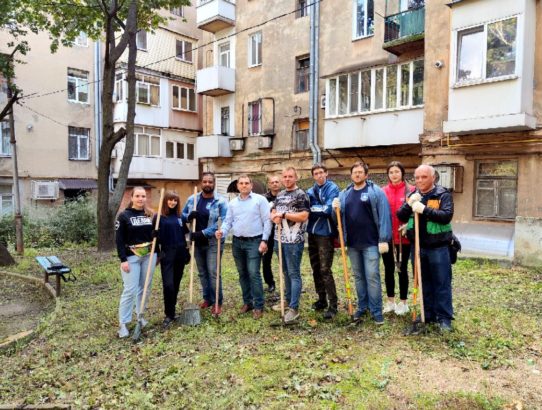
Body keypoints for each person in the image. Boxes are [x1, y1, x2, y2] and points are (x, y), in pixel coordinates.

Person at [332, 161, 391, 325]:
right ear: (351, 175)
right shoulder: (345, 193)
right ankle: (362, 306)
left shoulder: (375, 192)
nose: (357, 174)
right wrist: (334, 208)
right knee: (358, 277)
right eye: (354, 172)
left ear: (366, 175)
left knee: (372, 276)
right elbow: (337, 217)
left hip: (371, 242)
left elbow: (384, 215)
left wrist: (384, 239)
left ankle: (376, 310)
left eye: (360, 172)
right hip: (352, 243)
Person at [397, 164, 455, 332]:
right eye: (417, 178)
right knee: (423, 282)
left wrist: (424, 209)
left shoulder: (442, 194)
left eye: (424, 177)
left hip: (438, 247)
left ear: (433, 178)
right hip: (418, 247)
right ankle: (427, 314)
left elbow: (446, 216)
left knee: (442, 282)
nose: (420, 180)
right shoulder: (413, 194)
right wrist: (409, 204)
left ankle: (444, 318)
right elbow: (400, 216)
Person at [216, 175, 272, 320]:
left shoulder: (260, 200)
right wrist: (222, 231)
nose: (244, 185)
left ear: (251, 185)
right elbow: (228, 221)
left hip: (255, 241)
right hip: (237, 242)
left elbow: (267, 221)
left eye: (247, 183)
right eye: (241, 183)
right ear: (237, 186)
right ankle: (248, 302)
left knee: (253, 273)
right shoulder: (233, 203)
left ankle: (259, 305)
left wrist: (264, 240)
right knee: (242, 274)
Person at [182, 172, 228, 315]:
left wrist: (202, 233)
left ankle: (217, 302)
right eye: (205, 181)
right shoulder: (192, 199)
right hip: (196, 243)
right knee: (202, 273)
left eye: (210, 182)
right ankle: (207, 298)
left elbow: (223, 222)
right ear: (201, 183)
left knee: (213, 272)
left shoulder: (220, 201)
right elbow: (182, 215)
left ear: (214, 184)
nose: (207, 184)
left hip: (213, 241)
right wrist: (189, 216)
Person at [115, 187, 158, 338]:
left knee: (145, 287)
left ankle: (140, 316)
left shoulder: (150, 215)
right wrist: (123, 260)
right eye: (138, 196)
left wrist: (156, 236)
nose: (141, 199)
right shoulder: (124, 216)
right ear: (132, 198)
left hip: (149, 256)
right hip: (131, 258)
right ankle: (123, 324)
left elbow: (153, 234)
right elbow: (119, 240)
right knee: (130, 289)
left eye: (143, 196)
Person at [270, 167, 310, 324]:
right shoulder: (280, 194)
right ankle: (287, 300)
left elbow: (304, 215)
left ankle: (294, 308)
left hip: (294, 240)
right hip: (279, 239)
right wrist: (274, 216)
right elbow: (273, 210)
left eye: (290, 176)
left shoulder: (301, 195)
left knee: (293, 273)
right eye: (285, 176)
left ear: (296, 178)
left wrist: (284, 215)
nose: (287, 179)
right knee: (285, 272)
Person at [306, 163, 340, 320]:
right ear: (313, 176)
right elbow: (306, 210)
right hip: (311, 232)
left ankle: (333, 305)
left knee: (325, 269)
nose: (319, 175)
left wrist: (314, 208)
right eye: (316, 173)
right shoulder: (309, 190)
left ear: (326, 173)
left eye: (321, 172)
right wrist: (315, 208)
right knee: (315, 267)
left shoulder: (332, 188)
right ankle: (321, 299)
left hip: (325, 233)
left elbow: (328, 210)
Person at [381, 161, 415, 316]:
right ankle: (390, 301)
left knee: (402, 269)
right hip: (388, 237)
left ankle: (403, 302)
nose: (394, 175)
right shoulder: (382, 192)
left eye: (396, 171)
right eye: (391, 172)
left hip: (404, 238)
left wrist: (408, 225)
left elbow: (416, 214)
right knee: (388, 269)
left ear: (402, 173)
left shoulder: (411, 191)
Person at [155, 191, 190, 328]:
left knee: (176, 283)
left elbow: (186, 234)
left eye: (175, 200)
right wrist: (158, 252)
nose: (173, 202)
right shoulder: (159, 217)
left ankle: (172, 312)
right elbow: (153, 238)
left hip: (180, 252)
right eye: (170, 200)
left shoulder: (179, 217)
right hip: (167, 253)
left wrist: (187, 251)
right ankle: (168, 314)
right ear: (165, 201)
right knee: (168, 284)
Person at [261, 175, 281, 293]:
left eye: (277, 182)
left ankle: (287, 284)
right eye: (272, 182)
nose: (274, 184)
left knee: (283, 260)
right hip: (268, 233)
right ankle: (270, 283)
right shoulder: (263, 198)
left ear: (280, 183)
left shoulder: (285, 196)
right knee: (266, 260)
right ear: (269, 184)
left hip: (282, 232)